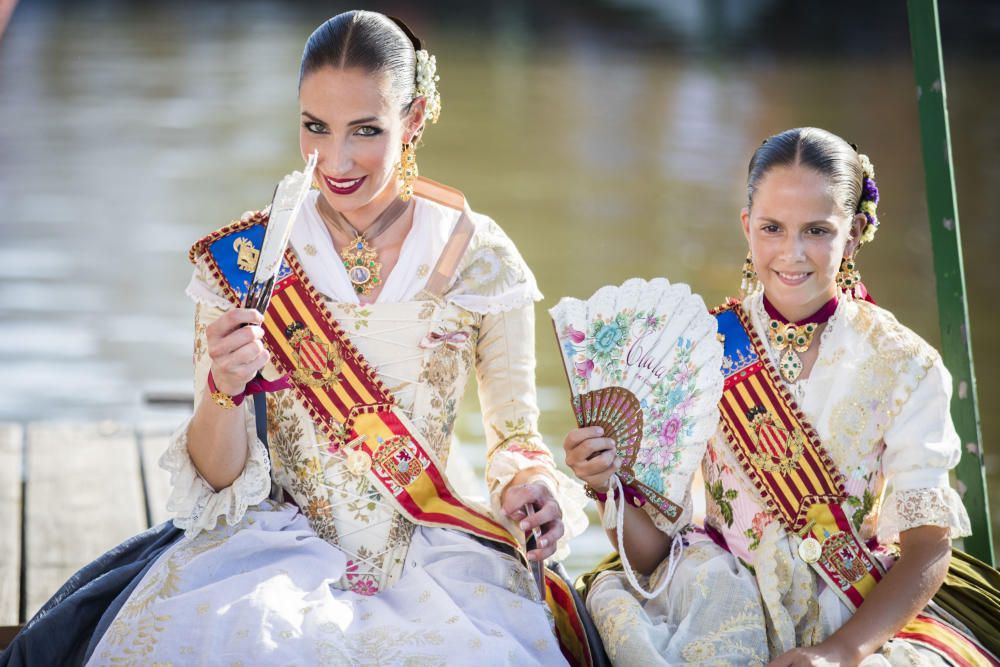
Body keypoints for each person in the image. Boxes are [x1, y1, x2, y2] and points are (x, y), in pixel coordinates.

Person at [2, 10, 589, 665]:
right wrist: (223, 388)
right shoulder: (245, 260)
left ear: (415, 119)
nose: (334, 160)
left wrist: (527, 490)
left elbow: (515, 442)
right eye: (314, 127)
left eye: (365, 130)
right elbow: (218, 476)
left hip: (431, 545)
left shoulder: (480, 257)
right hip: (275, 543)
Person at [564, 127, 998, 666]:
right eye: (773, 228)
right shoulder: (697, 347)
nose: (792, 254)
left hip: (852, 612)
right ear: (747, 227)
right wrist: (607, 484)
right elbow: (652, 552)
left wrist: (838, 654)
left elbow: (928, 549)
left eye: (817, 230)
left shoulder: (905, 365)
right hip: (714, 598)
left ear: (857, 230)